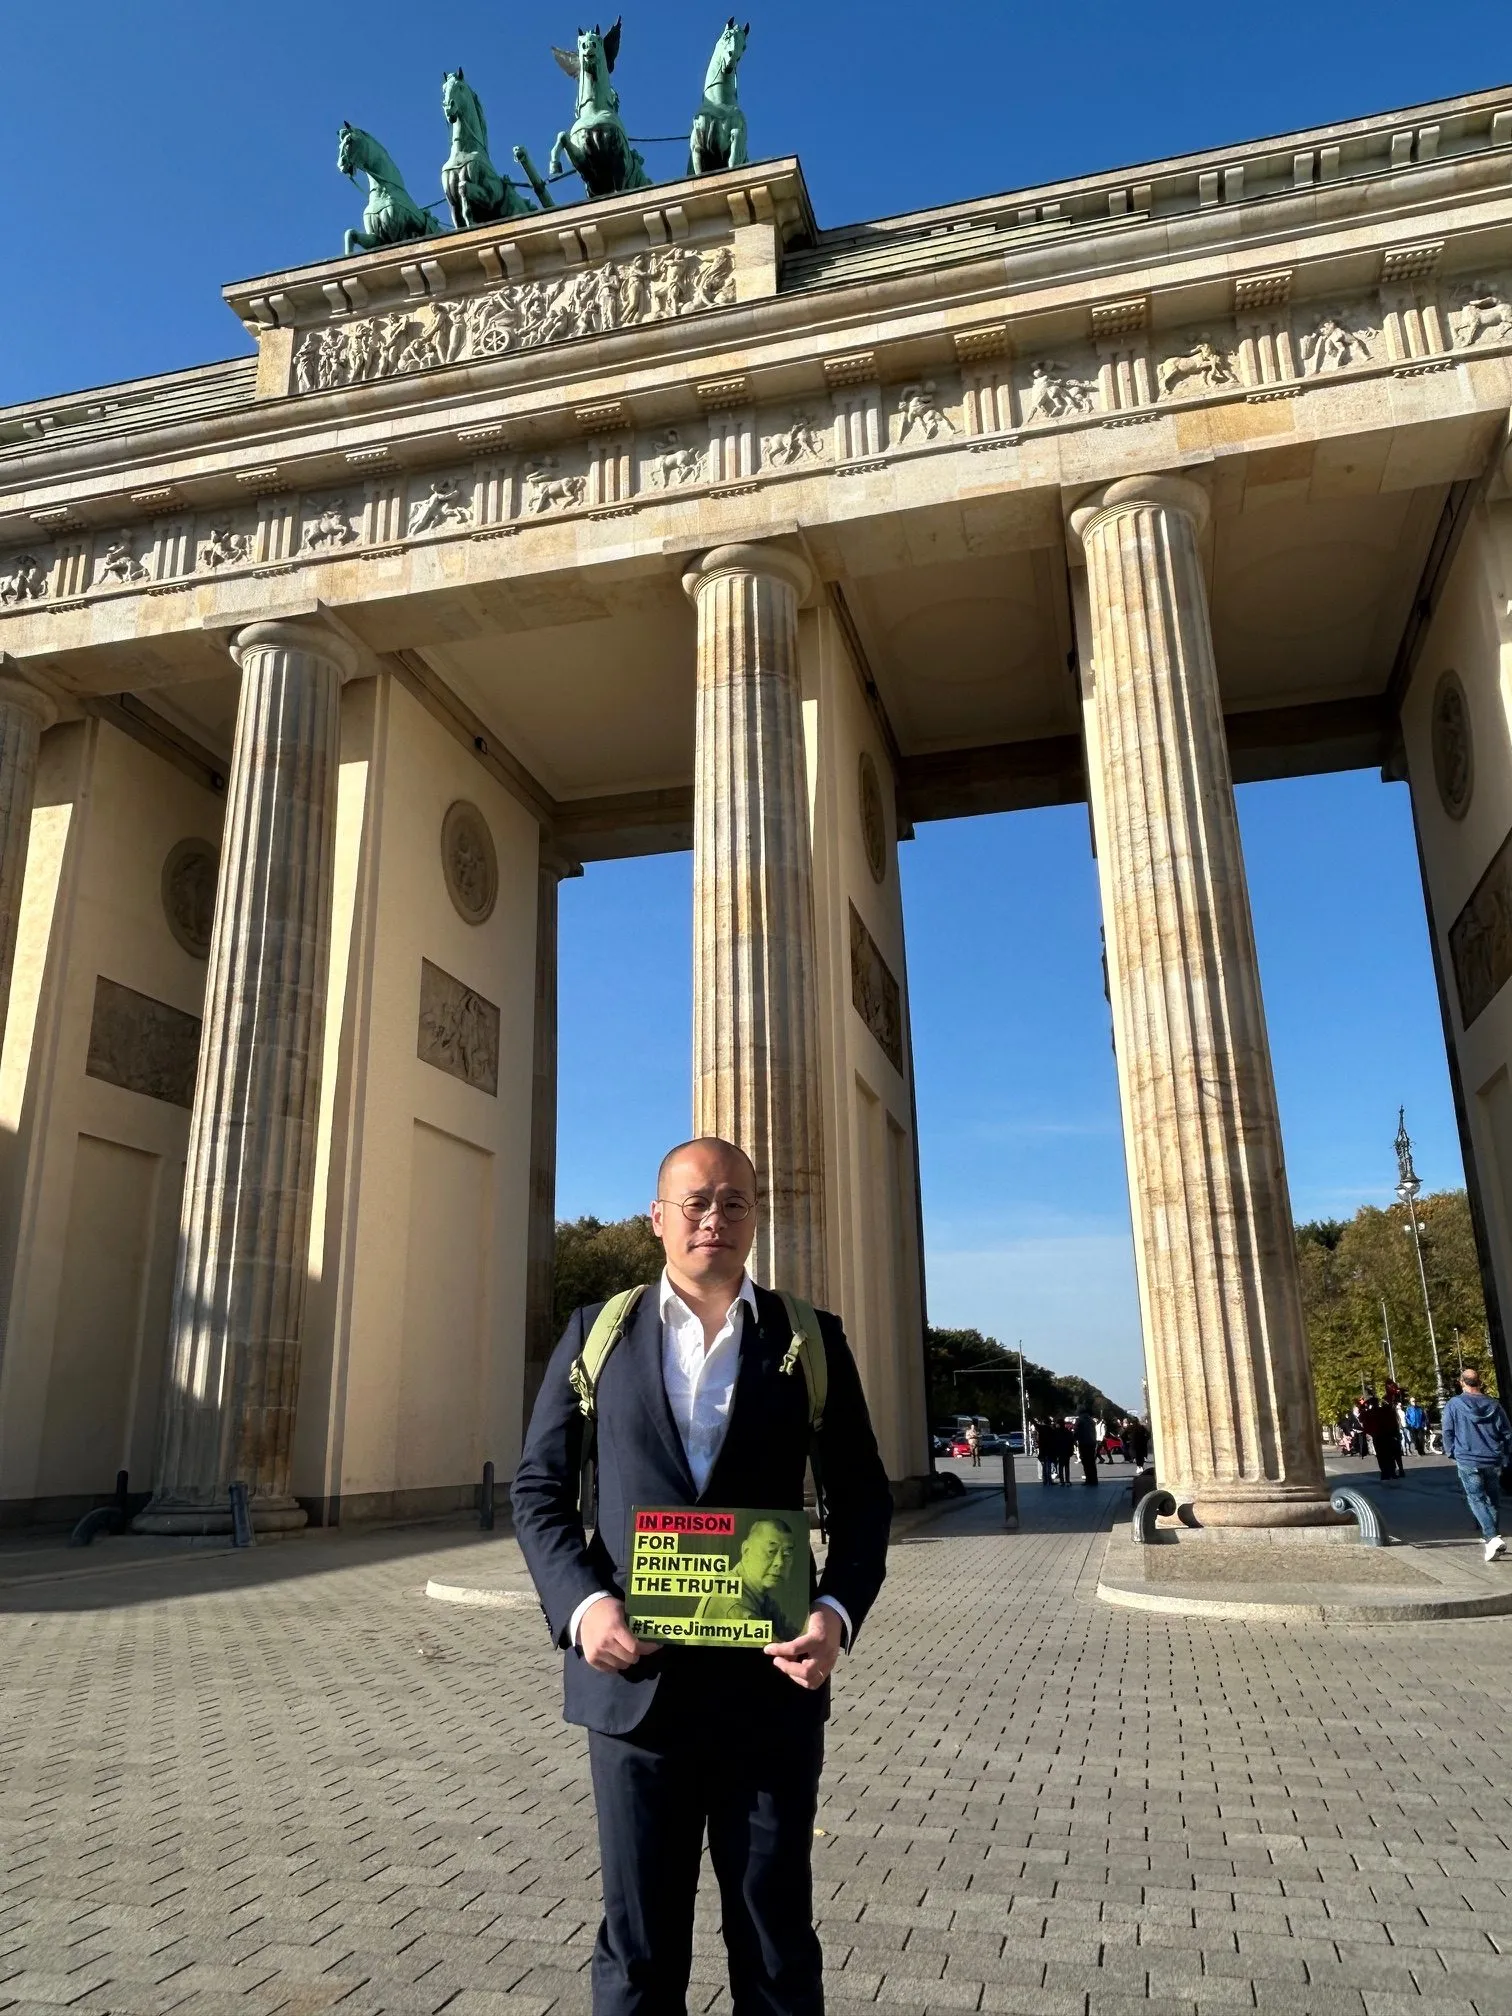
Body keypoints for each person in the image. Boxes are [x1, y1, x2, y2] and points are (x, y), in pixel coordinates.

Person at [511, 1136, 893, 2015]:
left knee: (775, 1943)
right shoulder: (597, 1333)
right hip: (634, 1687)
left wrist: (835, 1608)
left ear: (755, 1218)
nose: (714, 1219)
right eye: (695, 1203)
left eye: (733, 1202)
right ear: (658, 1219)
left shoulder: (810, 1338)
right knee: (638, 1951)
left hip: (770, 1686)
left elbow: (865, 1501)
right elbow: (538, 1489)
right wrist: (583, 1605)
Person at [1440, 1364, 1512, 1563]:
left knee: (1476, 1498)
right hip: (1492, 1457)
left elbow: (1447, 1431)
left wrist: (1451, 1451)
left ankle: (1491, 1537)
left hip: (1467, 1457)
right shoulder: (1494, 1405)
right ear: (1479, 1383)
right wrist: (1505, 1453)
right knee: (1492, 1497)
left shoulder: (1454, 1404)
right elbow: (1507, 1432)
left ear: (1462, 1383)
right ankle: (1492, 1535)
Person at [694, 1515, 806, 1641]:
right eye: (771, 1551)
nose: (779, 1562)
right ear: (746, 1550)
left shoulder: (762, 1599)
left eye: (787, 1554)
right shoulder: (733, 1604)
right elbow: (788, 1653)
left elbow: (793, 1635)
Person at [1360, 1391, 1404, 1481]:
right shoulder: (1379, 1411)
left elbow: (1363, 1420)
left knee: (1383, 1455)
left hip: (1381, 1435)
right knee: (1386, 1455)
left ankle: (1387, 1472)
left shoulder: (1373, 1412)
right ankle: (1389, 1472)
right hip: (1382, 1435)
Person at [1074, 1405, 1100, 1486]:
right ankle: (1094, 1479)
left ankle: (1088, 1479)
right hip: (1091, 1443)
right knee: (1092, 1461)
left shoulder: (1079, 1420)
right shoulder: (1091, 1420)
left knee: (1085, 1462)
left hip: (1083, 1443)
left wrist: (1074, 1440)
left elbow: (1076, 1432)